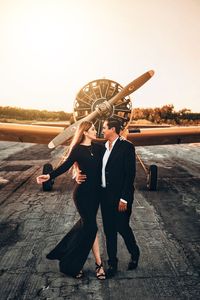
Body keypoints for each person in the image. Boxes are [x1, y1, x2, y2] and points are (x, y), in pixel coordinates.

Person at [36, 121, 105, 280]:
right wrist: (49, 176)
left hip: (96, 194)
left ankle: (68, 257)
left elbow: (113, 154)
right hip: (82, 195)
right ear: (86, 132)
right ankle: (96, 264)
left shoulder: (99, 148)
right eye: (93, 129)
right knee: (91, 227)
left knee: (89, 227)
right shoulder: (78, 150)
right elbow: (65, 166)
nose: (96, 131)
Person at [76, 118, 140, 278]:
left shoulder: (127, 147)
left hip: (121, 197)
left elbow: (130, 174)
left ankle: (135, 253)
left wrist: (124, 198)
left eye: (104, 128)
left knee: (122, 227)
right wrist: (77, 173)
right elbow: (85, 158)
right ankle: (112, 263)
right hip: (104, 196)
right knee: (109, 230)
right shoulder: (100, 148)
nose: (101, 131)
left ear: (113, 129)